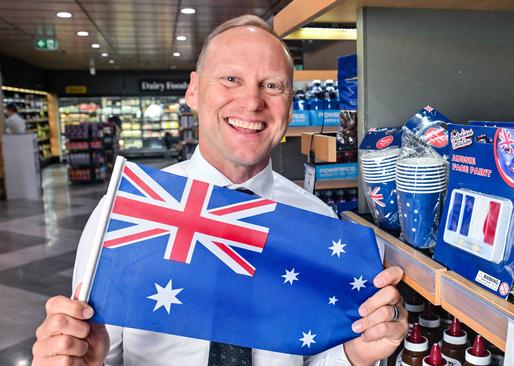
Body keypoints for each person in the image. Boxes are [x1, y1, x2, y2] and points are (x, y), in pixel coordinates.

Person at [32, 15, 408, 366]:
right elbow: (97, 350)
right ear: (193, 91)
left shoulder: (317, 223)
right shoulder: (126, 210)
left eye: (272, 85)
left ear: (290, 106)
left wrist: (356, 352)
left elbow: (314, 357)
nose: (252, 102)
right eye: (231, 79)